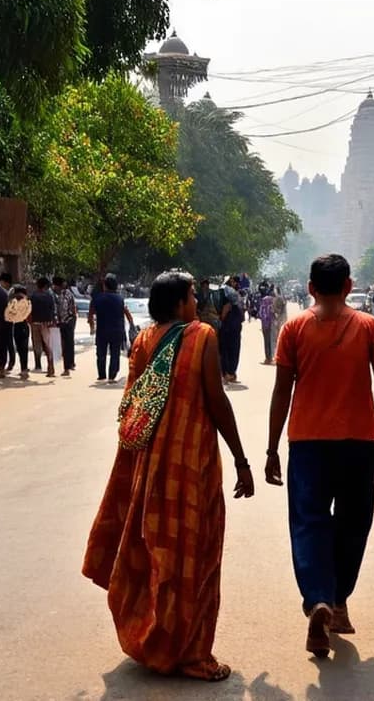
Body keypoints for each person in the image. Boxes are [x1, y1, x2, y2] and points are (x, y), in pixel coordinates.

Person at [83, 271, 254, 682]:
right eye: (193, 294)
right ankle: (191, 652)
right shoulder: (201, 337)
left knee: (153, 551)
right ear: (181, 303)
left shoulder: (144, 341)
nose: (196, 301)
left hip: (148, 467)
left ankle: (152, 639)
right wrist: (242, 459)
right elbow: (216, 401)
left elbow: (133, 406)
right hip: (191, 465)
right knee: (192, 555)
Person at [264, 254, 374, 657]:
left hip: (308, 444)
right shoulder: (367, 327)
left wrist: (271, 447)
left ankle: (319, 599)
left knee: (309, 524)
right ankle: (339, 600)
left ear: (311, 287)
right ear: (348, 286)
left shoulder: (294, 328)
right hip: (360, 444)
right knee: (353, 524)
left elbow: (282, 392)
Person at [90, 274, 135, 384]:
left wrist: (92, 325)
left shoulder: (98, 298)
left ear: (105, 286)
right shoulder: (120, 299)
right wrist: (132, 324)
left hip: (102, 330)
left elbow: (91, 313)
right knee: (115, 353)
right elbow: (126, 312)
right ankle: (112, 376)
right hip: (117, 331)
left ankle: (101, 375)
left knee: (101, 353)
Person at [29, 277, 57, 377]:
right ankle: (51, 366)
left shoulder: (32, 296)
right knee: (48, 346)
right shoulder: (49, 296)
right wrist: (53, 322)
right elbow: (53, 310)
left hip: (35, 323)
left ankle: (38, 365)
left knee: (37, 345)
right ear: (45, 286)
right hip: (47, 323)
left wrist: (30, 322)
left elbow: (29, 311)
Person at [218, 277, 243, 384]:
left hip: (228, 326)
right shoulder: (233, 295)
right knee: (232, 350)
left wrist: (221, 319)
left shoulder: (226, 293)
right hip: (234, 327)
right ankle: (230, 373)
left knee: (226, 350)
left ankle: (228, 373)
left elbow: (225, 310)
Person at [5, 285, 32, 380]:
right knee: (24, 348)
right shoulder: (28, 302)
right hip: (24, 325)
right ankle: (24, 368)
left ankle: (23, 369)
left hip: (17, 325)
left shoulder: (14, 302)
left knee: (20, 348)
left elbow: (8, 313)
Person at [53, 276, 78, 377]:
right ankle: (69, 364)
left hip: (67, 321)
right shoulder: (57, 294)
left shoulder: (65, 294)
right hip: (64, 321)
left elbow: (66, 309)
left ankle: (67, 367)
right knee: (67, 344)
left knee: (67, 344)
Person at [258, 287, 276, 365]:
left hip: (265, 324)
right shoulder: (274, 300)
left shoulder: (264, 300)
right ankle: (272, 357)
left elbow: (261, 313)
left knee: (266, 341)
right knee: (273, 341)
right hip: (273, 323)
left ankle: (268, 359)